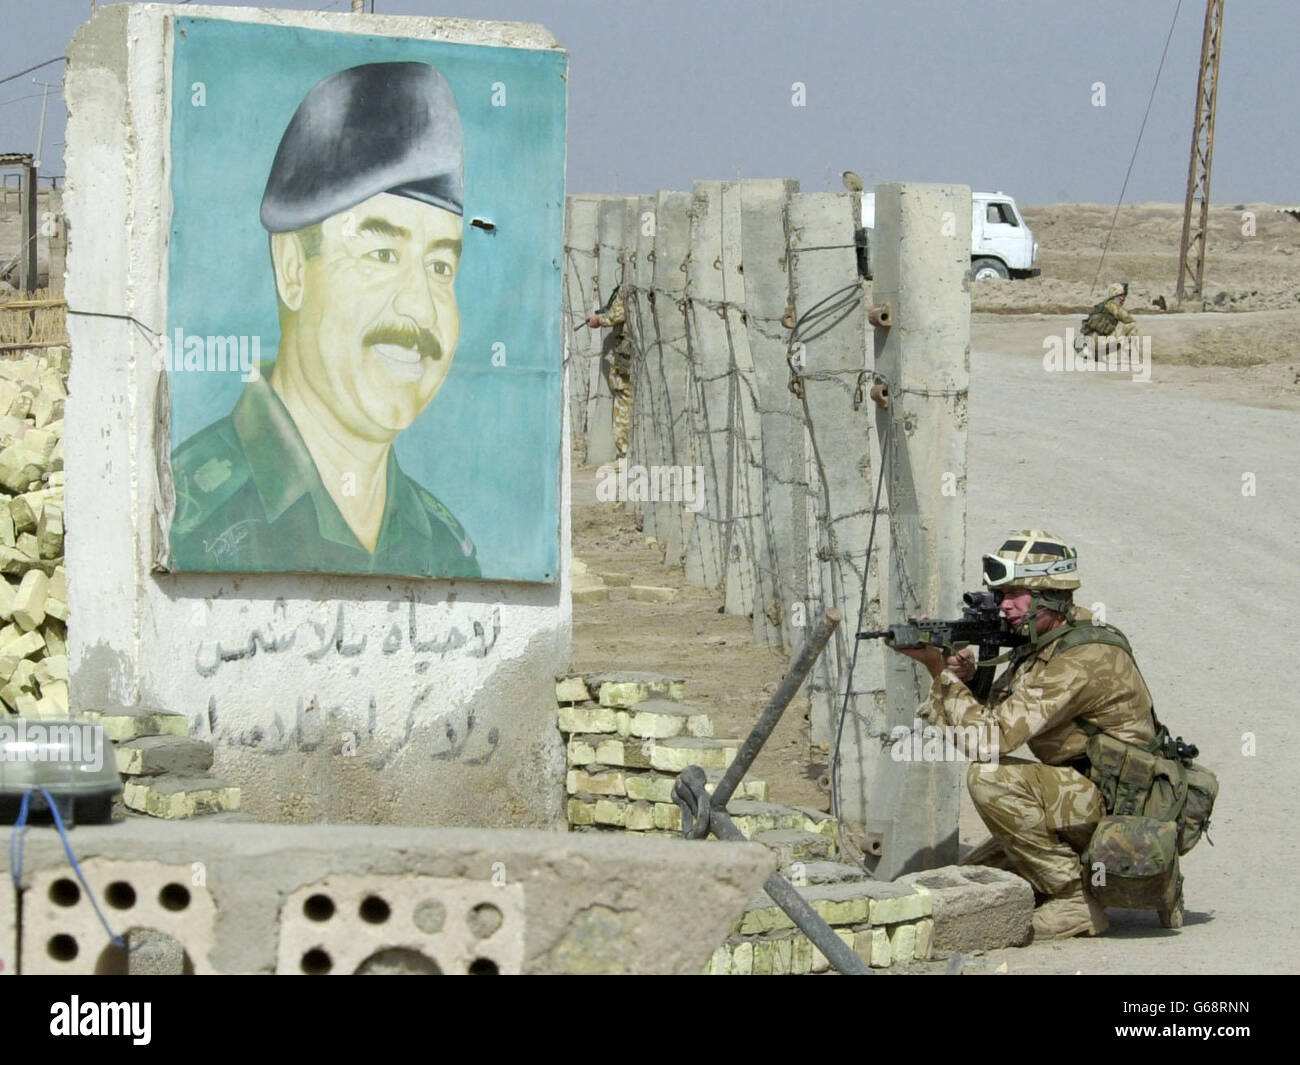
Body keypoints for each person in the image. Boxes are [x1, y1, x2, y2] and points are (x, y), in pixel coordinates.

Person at [169, 62, 480, 578]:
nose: (421, 308)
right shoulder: (186, 520)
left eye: (440, 266)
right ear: (292, 269)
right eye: (382, 255)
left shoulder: (448, 550)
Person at [888, 530, 1157, 940]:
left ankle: (1073, 899)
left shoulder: (1081, 657)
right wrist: (965, 676)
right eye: (1000, 594)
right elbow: (998, 715)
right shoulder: (1046, 641)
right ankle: (1065, 878)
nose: (1004, 605)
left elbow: (989, 742)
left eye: (1017, 593)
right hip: (1083, 791)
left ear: (1052, 595)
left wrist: (938, 671)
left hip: (1117, 806)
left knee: (990, 777)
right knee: (981, 882)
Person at [585, 281, 632, 458]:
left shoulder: (628, 284)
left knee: (623, 397)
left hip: (628, 352)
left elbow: (617, 314)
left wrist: (600, 320)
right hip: (641, 351)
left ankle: (624, 451)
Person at [1075, 281, 1138, 353]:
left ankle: (1089, 351)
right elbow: (1128, 319)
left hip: (1090, 340)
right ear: (1115, 295)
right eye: (1121, 296)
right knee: (1132, 325)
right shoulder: (1113, 305)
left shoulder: (1101, 306)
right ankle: (1128, 351)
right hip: (1101, 341)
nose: (1123, 299)